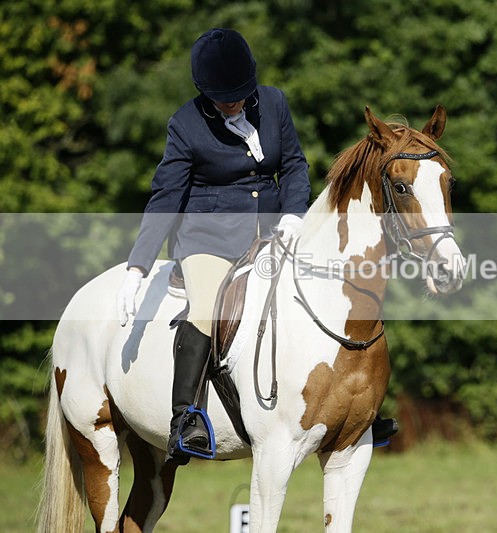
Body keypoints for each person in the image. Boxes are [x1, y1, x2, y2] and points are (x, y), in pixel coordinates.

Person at [116, 28, 395, 465]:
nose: (236, 103)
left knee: (332, 289)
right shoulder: (185, 125)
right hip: (209, 240)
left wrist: (290, 217)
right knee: (207, 306)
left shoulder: (274, 103)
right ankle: (184, 417)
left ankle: (352, 409)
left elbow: (294, 166)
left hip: (276, 232)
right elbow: (166, 197)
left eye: (241, 94)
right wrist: (137, 268)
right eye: (226, 98)